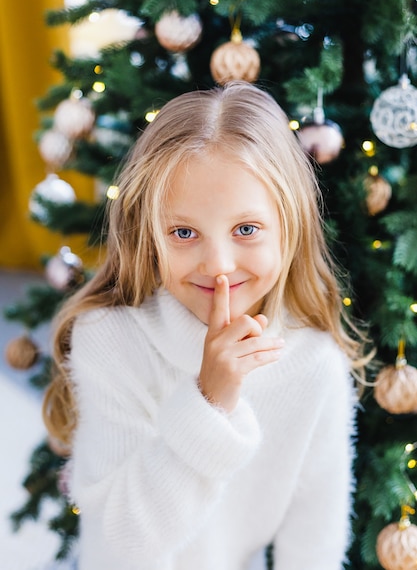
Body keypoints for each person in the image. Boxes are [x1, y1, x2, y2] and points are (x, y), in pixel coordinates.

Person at [43, 81, 370, 570]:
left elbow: (313, 546)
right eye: (183, 232)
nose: (218, 264)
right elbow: (118, 547)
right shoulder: (108, 341)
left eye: (246, 229)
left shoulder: (316, 364)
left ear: (290, 225)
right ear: (150, 236)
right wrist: (209, 402)